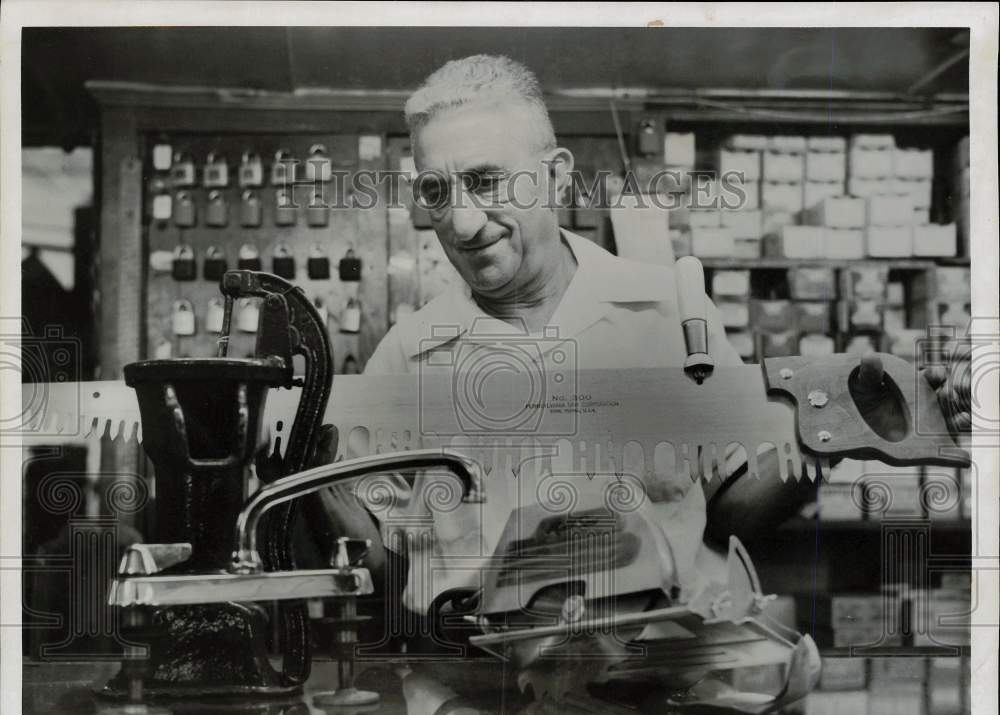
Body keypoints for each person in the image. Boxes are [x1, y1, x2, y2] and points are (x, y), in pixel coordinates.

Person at [310, 54, 971, 627]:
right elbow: (381, 563)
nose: (460, 220)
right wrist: (314, 486)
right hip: (478, 695)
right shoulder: (407, 353)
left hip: (656, 682)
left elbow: (731, 509)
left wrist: (840, 430)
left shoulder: (671, 316)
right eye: (435, 191)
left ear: (555, 175)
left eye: (484, 181)